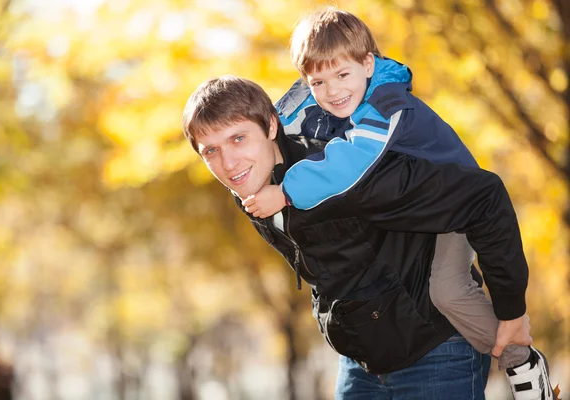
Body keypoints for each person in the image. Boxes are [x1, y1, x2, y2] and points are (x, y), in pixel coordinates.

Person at [237, 8, 554, 400]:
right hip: (399, 260)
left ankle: (519, 358)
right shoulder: (326, 97)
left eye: (342, 76)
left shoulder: (384, 105)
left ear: (368, 64)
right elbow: (287, 110)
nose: (332, 91)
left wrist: (284, 191)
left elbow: (351, 161)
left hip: (453, 211)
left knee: (448, 290)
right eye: (318, 81)